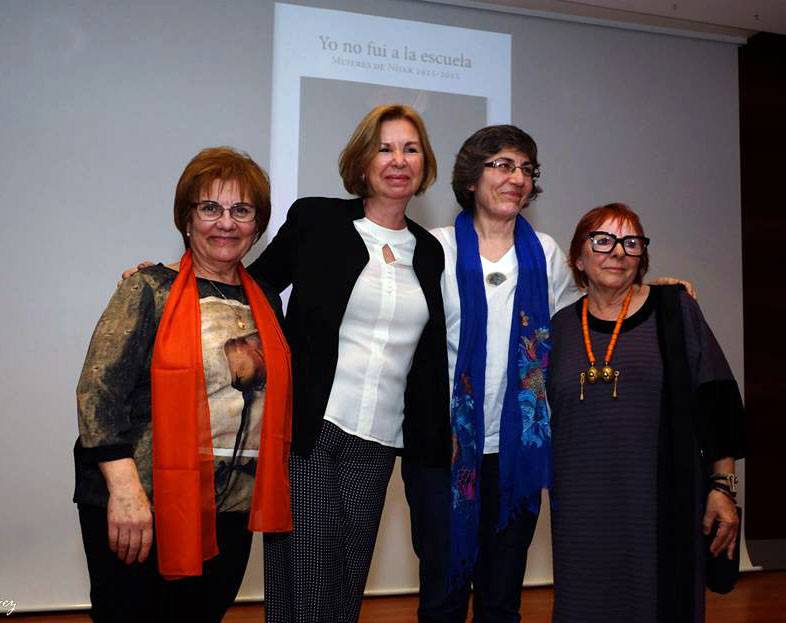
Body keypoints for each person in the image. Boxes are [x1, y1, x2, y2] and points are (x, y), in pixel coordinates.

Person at [250, 104, 451, 622]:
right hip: (312, 431)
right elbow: (251, 286)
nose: (398, 160)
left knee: (345, 587)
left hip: (380, 440)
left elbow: (427, 357)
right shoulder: (317, 219)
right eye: (385, 148)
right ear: (363, 162)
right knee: (308, 581)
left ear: (424, 164)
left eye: (410, 149)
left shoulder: (428, 251)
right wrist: (173, 275)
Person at [74, 147, 293, 623]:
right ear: (187, 218)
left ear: (257, 224)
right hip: (143, 505)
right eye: (210, 208)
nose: (226, 223)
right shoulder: (149, 288)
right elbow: (98, 393)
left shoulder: (267, 301)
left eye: (241, 210)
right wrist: (126, 491)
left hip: (230, 509)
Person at [402, 125, 580, 623]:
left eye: (526, 168)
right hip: (444, 451)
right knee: (442, 595)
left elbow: (580, 322)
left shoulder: (544, 253)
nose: (517, 178)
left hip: (516, 454)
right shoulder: (435, 248)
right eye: (503, 165)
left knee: (502, 599)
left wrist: (658, 288)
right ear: (472, 177)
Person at [547, 203, 745, 623]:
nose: (617, 252)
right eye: (602, 240)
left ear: (642, 257)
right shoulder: (560, 328)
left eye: (630, 242)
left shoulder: (675, 311)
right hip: (582, 512)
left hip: (659, 508)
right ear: (578, 258)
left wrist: (723, 488)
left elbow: (717, 399)